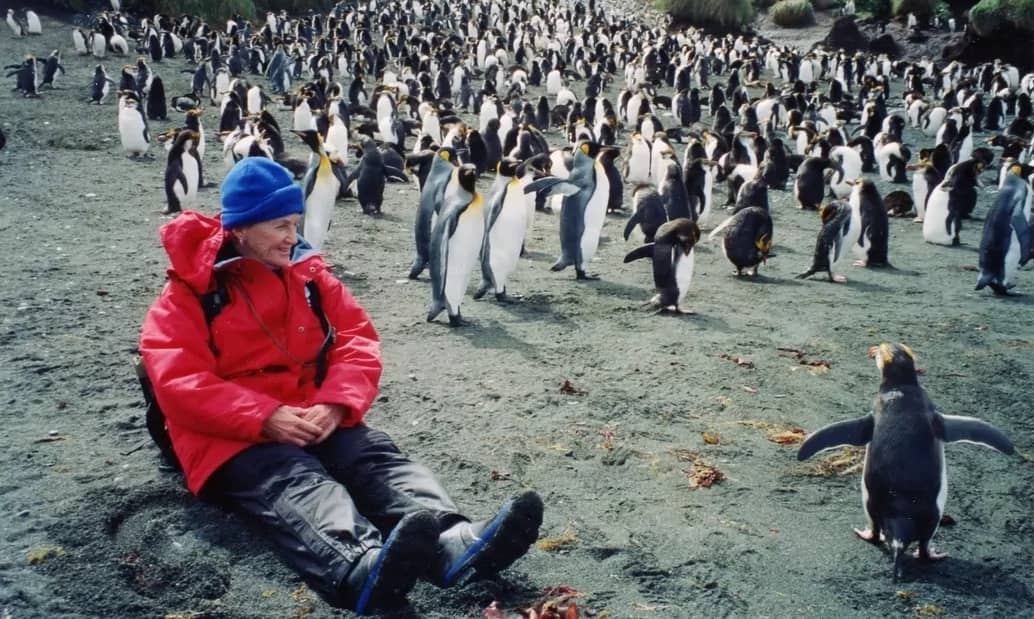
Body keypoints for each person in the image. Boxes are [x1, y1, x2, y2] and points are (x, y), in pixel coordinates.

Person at [139, 157, 544, 614]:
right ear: (241, 229)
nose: (294, 237)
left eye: (295, 223)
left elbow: (357, 340)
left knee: (372, 457)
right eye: (279, 226)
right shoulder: (188, 294)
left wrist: (335, 403)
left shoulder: (310, 276)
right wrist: (263, 416)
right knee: (294, 481)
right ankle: (359, 565)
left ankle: (451, 540)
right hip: (228, 437)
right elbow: (177, 379)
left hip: (310, 411)